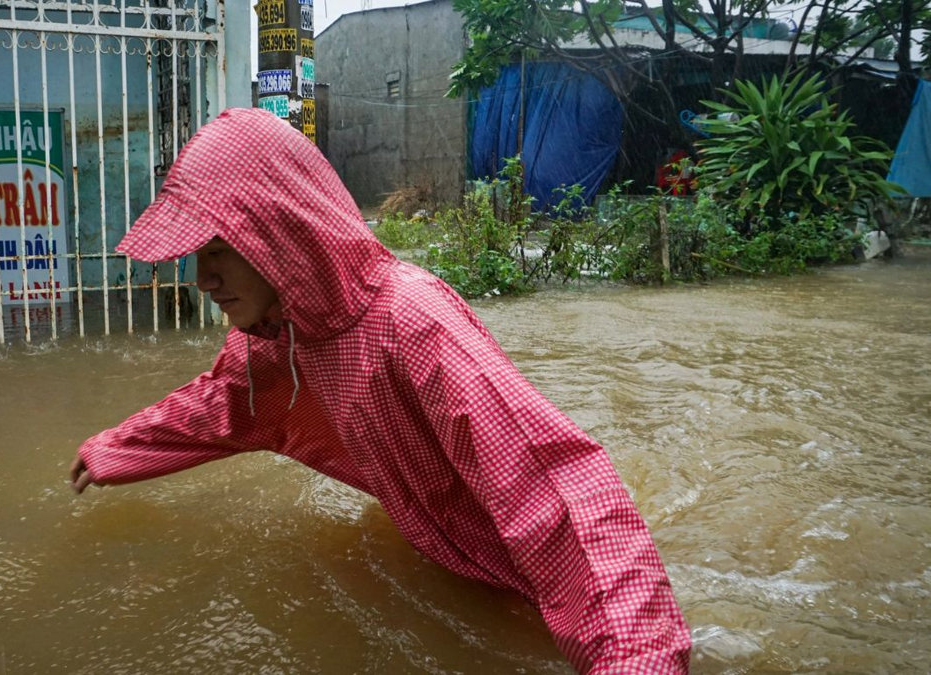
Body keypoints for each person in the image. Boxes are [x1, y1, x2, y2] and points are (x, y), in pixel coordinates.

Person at [69, 108, 691, 673]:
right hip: (445, 560)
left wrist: (635, 653)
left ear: (279, 233)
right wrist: (112, 449)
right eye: (196, 253)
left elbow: (555, 488)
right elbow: (219, 405)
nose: (202, 277)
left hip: (526, 576)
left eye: (219, 248)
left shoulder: (410, 322)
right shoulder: (277, 339)